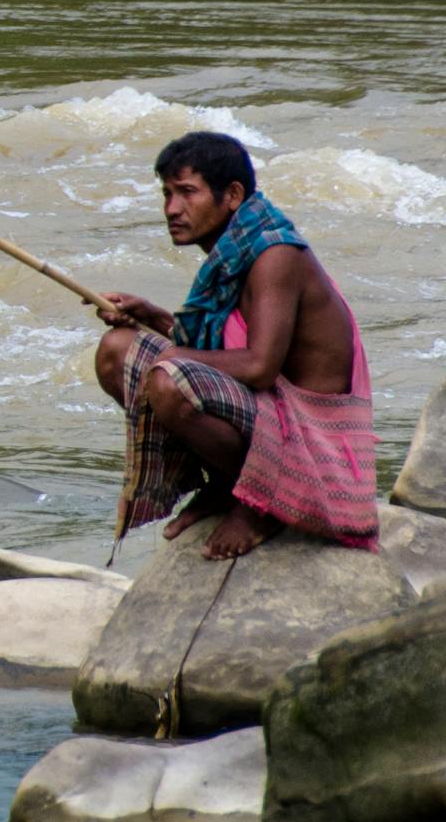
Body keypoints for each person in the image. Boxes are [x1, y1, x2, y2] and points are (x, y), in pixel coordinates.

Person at [91, 129, 380, 560]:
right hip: (269, 413)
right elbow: (225, 347)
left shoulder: (274, 255)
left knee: (170, 379)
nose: (172, 209)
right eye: (167, 193)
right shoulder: (236, 250)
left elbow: (260, 367)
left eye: (187, 192)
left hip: (308, 439)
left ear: (232, 195)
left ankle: (263, 503)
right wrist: (152, 317)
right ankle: (227, 486)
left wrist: (174, 356)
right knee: (117, 349)